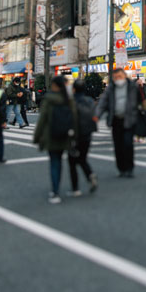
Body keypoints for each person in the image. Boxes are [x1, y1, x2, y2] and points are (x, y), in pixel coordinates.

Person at [33, 76, 78, 204]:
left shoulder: (48, 99)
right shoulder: (68, 99)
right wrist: (75, 135)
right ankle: (75, 187)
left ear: (54, 86)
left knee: (55, 162)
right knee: (67, 161)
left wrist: (37, 137)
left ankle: (55, 191)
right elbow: (74, 117)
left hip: (51, 134)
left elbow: (42, 120)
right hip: (65, 134)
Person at [95, 69, 140, 178]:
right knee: (118, 145)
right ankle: (121, 168)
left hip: (129, 119)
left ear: (125, 76)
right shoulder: (111, 88)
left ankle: (129, 168)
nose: (118, 79)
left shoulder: (132, 87)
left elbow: (141, 100)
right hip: (116, 120)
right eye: (115, 77)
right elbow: (103, 102)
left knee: (128, 144)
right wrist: (97, 115)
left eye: (119, 76)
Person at [69, 79, 98, 195]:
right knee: (82, 158)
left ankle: (75, 188)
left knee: (72, 162)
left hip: (75, 134)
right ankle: (90, 174)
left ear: (74, 89)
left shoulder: (71, 101)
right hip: (88, 133)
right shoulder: (90, 101)